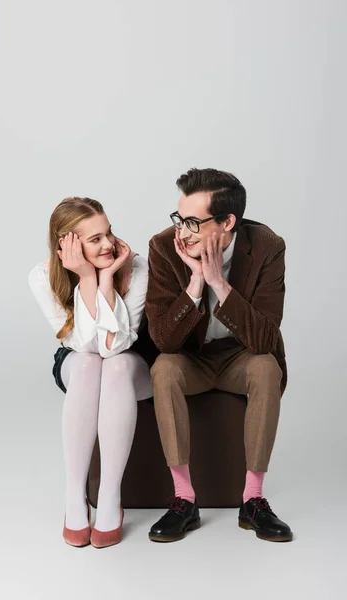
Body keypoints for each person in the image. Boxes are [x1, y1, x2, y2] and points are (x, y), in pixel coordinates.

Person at [145, 168, 293, 543]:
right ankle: (183, 500)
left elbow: (263, 338)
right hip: (190, 358)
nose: (183, 231)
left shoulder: (267, 247)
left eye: (193, 222)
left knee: (266, 367)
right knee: (164, 368)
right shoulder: (164, 247)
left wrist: (218, 283)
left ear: (228, 221)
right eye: (179, 219)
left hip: (239, 357)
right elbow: (163, 339)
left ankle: (253, 500)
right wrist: (195, 282)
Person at [28, 197, 152, 549]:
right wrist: (86, 278)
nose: (109, 244)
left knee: (112, 366)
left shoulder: (136, 267)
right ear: (66, 243)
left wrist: (107, 278)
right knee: (86, 364)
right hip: (79, 361)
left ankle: (110, 496)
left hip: (131, 365)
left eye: (108, 232)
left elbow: (114, 347)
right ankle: (74, 496)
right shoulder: (41, 276)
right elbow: (83, 345)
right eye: (94, 239)